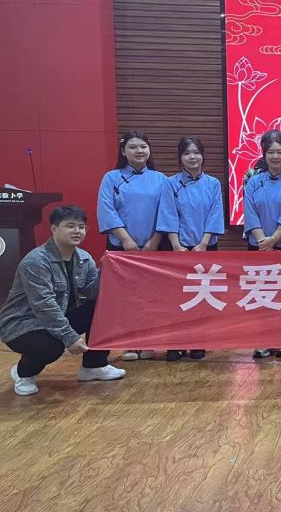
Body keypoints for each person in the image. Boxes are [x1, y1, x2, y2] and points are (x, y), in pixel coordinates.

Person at [1, 205, 125, 396]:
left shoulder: (84, 258)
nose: (77, 231)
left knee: (105, 306)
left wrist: (106, 270)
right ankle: (23, 373)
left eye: (81, 227)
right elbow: (44, 306)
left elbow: (94, 294)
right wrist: (70, 337)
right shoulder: (35, 262)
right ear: (54, 228)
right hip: (22, 324)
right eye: (70, 226)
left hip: (57, 317)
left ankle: (94, 366)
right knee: (51, 347)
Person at [97, 130, 166, 361]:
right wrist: (125, 239)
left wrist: (154, 241)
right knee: (125, 296)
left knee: (151, 295)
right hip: (122, 248)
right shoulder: (111, 178)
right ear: (123, 151)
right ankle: (129, 342)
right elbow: (107, 209)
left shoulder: (161, 179)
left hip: (153, 247)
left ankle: (148, 341)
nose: (139, 151)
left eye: (143, 146)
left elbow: (166, 212)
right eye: (133, 147)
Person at [156, 136, 225, 362]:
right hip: (178, 248)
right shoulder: (170, 183)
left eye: (196, 152)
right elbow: (168, 214)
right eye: (187, 153)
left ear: (203, 156)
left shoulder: (213, 184)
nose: (192, 157)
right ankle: (175, 343)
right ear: (180, 157)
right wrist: (176, 244)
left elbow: (215, 214)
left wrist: (203, 243)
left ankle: (198, 341)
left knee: (202, 296)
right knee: (176, 297)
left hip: (205, 247)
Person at [243, 129, 281, 360]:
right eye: (271, 152)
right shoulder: (253, 181)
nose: (275, 156)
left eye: (279, 152)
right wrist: (263, 242)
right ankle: (264, 340)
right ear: (264, 155)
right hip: (259, 247)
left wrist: (274, 239)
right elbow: (250, 213)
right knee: (262, 294)